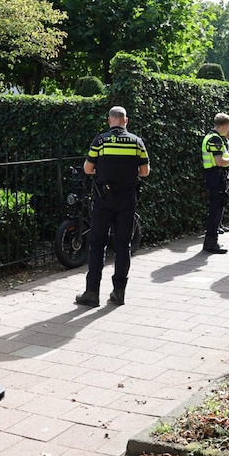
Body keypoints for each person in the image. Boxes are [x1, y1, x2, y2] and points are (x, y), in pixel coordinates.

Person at [75, 106, 150, 307]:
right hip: (127, 200)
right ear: (126, 121)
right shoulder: (137, 142)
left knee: (97, 244)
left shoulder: (100, 141)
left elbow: (88, 169)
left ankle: (92, 293)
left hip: (103, 199)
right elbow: (144, 172)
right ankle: (119, 293)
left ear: (110, 121)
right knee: (123, 245)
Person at [202, 113, 229, 254]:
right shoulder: (215, 139)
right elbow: (220, 161)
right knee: (216, 210)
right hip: (216, 175)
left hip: (216, 175)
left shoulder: (214, 137)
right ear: (224, 126)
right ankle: (211, 243)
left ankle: (211, 241)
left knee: (217, 208)